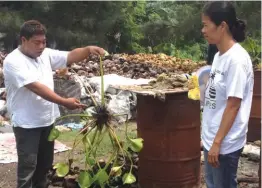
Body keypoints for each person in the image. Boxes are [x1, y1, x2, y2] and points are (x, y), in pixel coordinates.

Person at [3, 20, 106, 188]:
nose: (42, 46)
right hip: (26, 123)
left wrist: (88, 50)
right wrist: (64, 102)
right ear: (23, 40)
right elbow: (36, 87)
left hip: (47, 120)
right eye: (37, 42)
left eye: (44, 42)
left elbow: (70, 56)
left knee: (44, 166)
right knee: (28, 167)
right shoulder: (13, 61)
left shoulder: (45, 54)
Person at [201, 2, 254, 188]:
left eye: (206, 25)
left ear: (222, 26)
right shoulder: (218, 56)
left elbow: (233, 105)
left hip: (225, 144)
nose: (203, 30)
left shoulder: (237, 60)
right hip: (211, 139)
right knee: (212, 184)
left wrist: (217, 143)